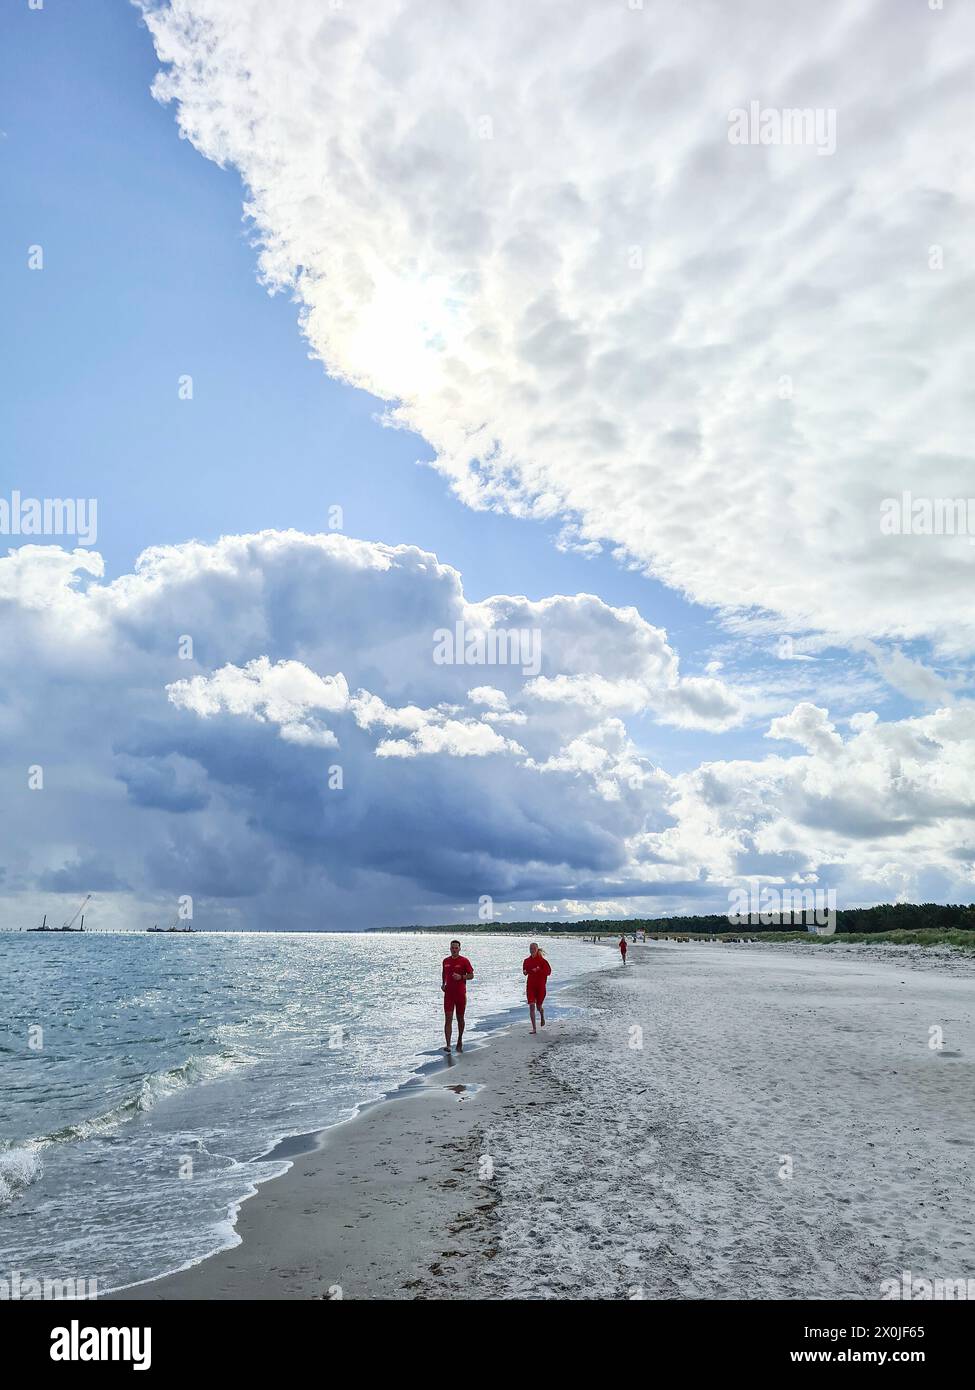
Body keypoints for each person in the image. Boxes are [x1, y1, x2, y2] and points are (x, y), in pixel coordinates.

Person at [441, 939, 474, 1052]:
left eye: (456, 948)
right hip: (448, 995)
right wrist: (443, 984)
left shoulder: (464, 961)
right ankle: (448, 1045)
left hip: (460, 994)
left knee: (460, 1019)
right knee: (448, 1019)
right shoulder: (445, 961)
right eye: (452, 948)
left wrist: (461, 977)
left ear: (459, 949)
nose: (454, 950)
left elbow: (471, 975)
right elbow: (444, 974)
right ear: (450, 948)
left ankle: (459, 1040)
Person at [523, 942, 552, 1034]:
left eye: (534, 949)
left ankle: (542, 1014)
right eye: (530, 948)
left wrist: (539, 970)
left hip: (540, 987)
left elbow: (549, 972)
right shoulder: (526, 961)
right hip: (530, 986)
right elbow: (525, 971)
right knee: (531, 1006)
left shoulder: (543, 961)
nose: (532, 950)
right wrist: (524, 972)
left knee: (538, 1007)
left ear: (537, 949)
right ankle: (534, 1028)